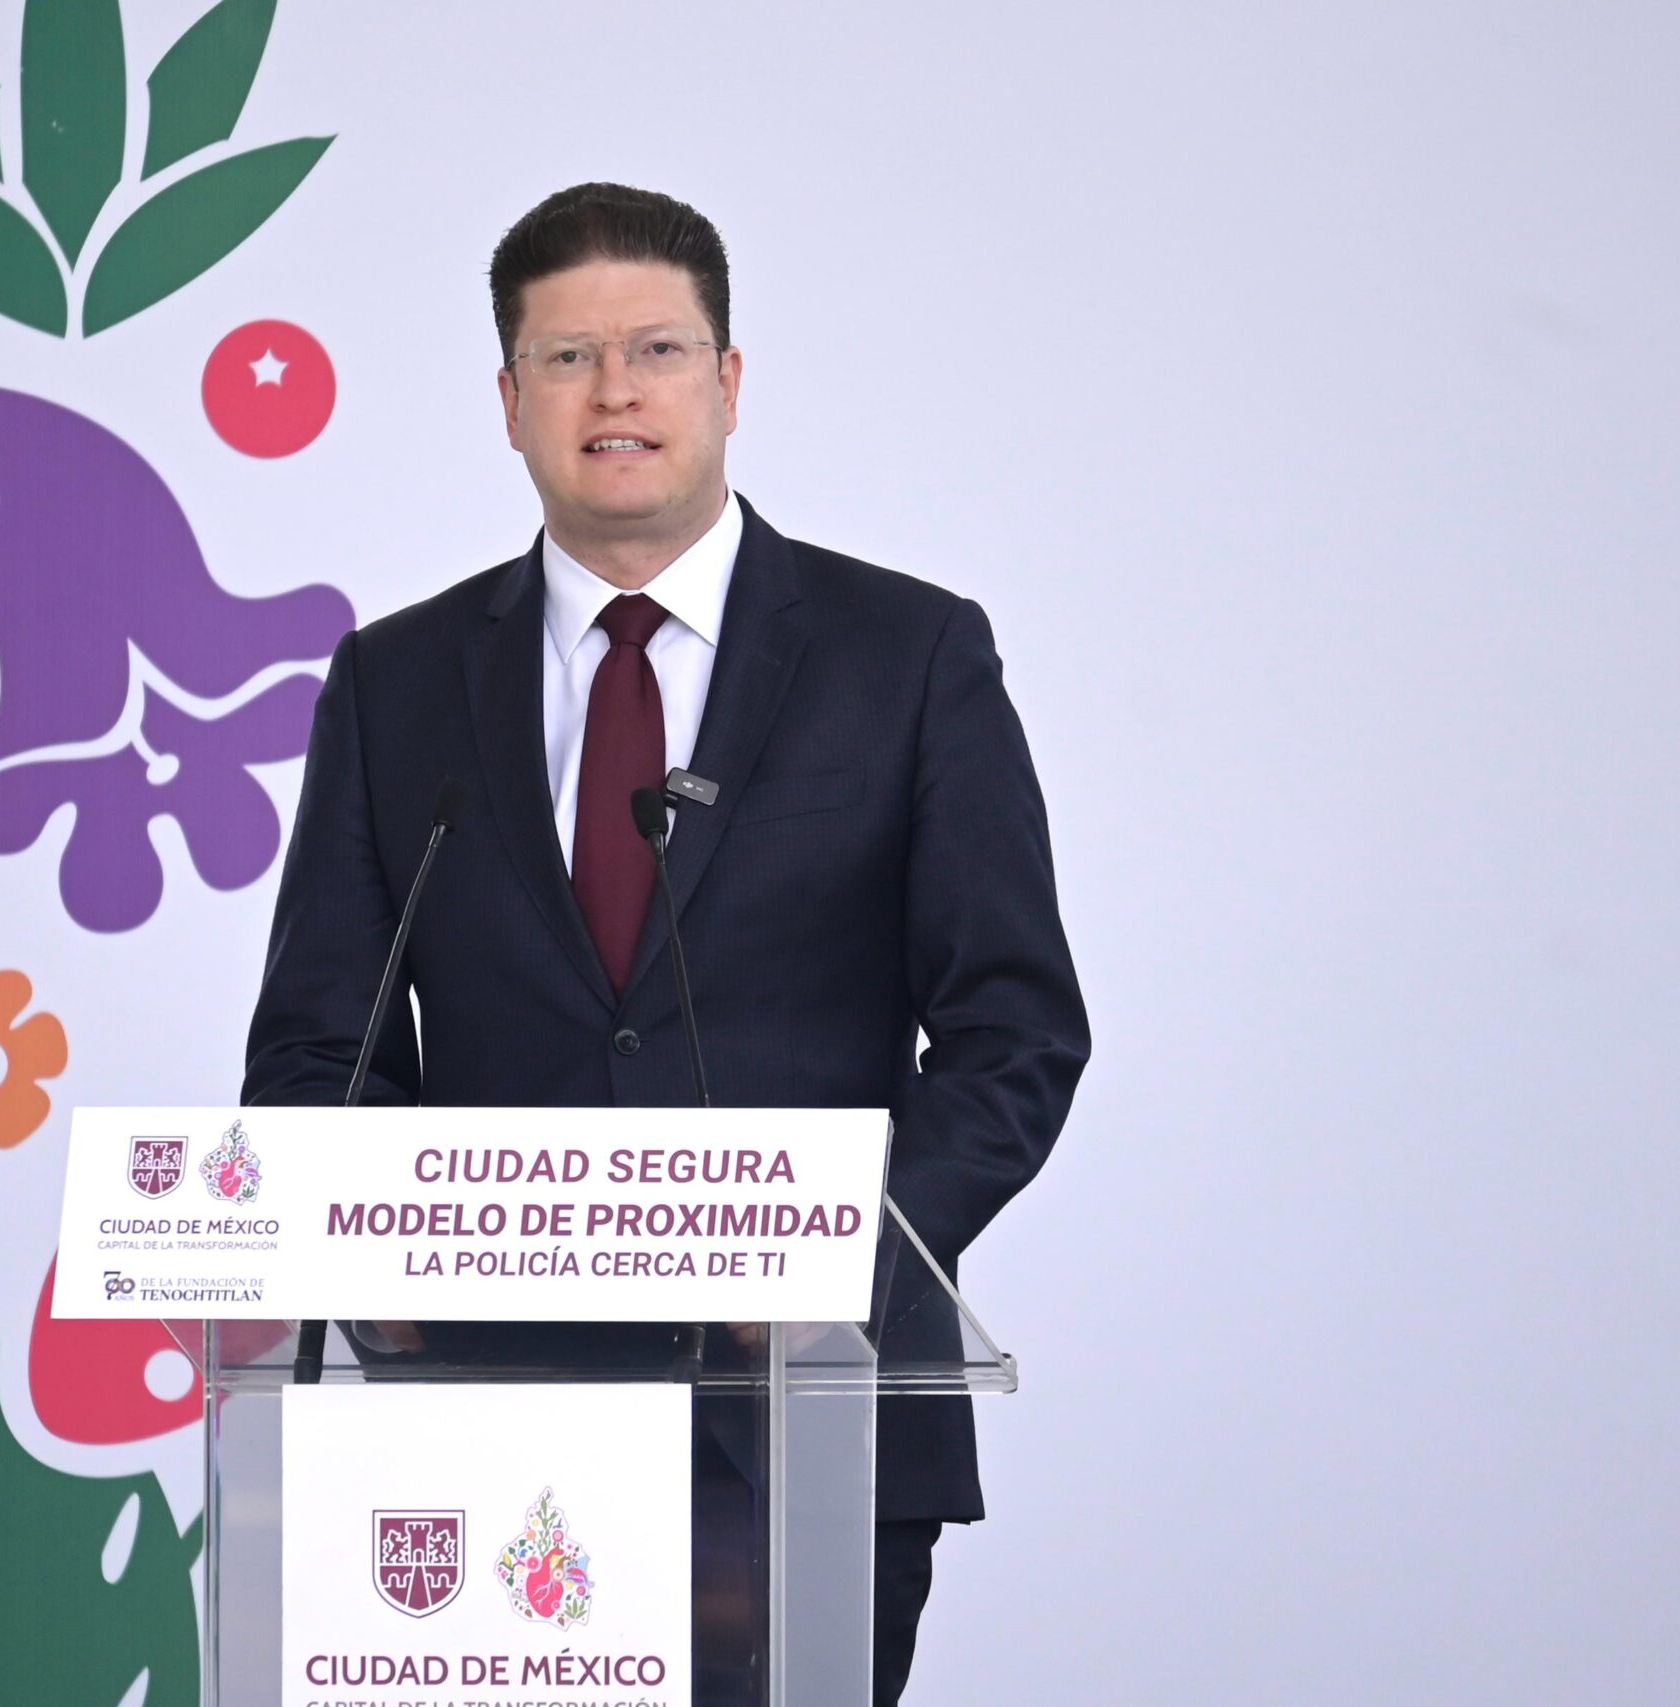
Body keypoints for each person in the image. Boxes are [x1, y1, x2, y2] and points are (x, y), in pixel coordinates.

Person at [243, 181, 1088, 1705]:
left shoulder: (908, 655)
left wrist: (836, 1259)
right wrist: (380, 1268)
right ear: (509, 400)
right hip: (482, 1421)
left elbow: (1014, 1032)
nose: (614, 392)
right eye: (566, 358)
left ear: (729, 381)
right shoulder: (396, 681)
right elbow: (320, 1047)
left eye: (657, 350)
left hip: (808, 1414)